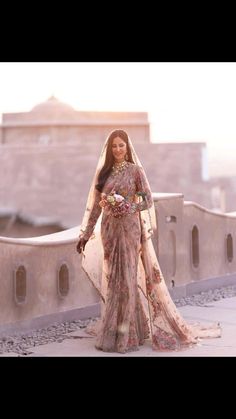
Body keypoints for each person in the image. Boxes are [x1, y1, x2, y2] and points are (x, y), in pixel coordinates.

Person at [76, 129, 221, 353]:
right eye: (114, 146)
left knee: (127, 279)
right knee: (115, 280)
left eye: (121, 145)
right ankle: (114, 331)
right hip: (110, 232)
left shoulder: (135, 171)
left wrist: (128, 206)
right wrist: (85, 235)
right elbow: (96, 206)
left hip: (130, 229)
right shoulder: (104, 174)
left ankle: (128, 336)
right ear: (109, 149)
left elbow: (146, 199)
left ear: (127, 147)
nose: (117, 150)